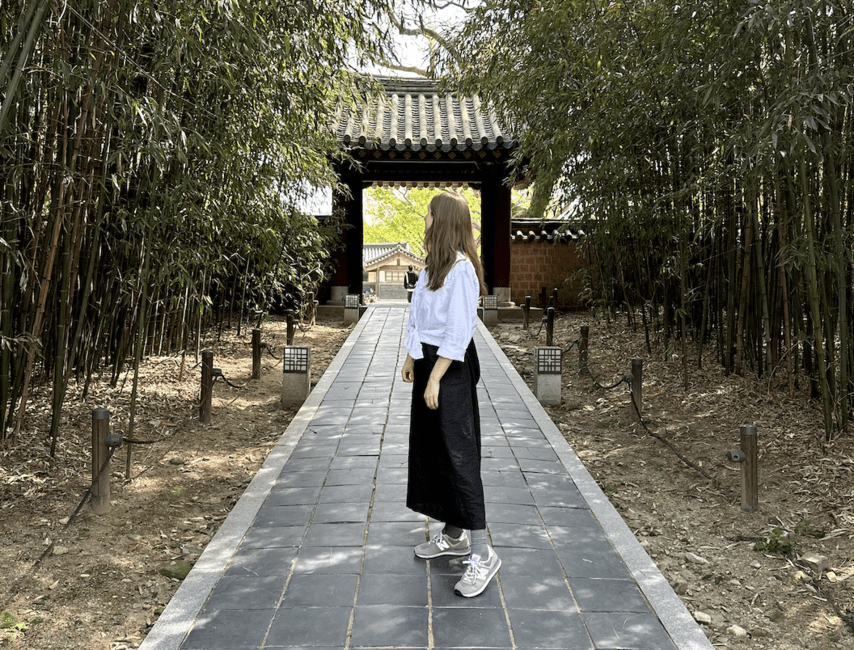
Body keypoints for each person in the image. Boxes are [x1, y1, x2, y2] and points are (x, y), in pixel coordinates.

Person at [401, 191, 499, 598]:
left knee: (459, 454)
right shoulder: (430, 269)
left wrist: (436, 377)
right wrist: (410, 357)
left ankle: (482, 553)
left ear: (442, 221)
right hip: (427, 362)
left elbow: (460, 331)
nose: (424, 217)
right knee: (434, 450)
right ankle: (454, 533)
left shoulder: (461, 271)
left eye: (429, 213)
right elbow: (416, 317)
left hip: (451, 368)